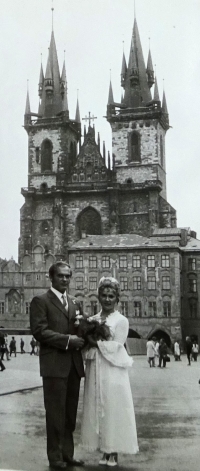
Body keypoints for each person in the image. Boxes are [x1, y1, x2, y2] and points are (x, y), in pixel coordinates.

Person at [30, 261, 85, 470]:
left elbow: (81, 329)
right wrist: (69, 341)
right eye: (61, 276)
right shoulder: (40, 301)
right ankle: (55, 457)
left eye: (67, 276)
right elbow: (39, 331)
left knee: (70, 413)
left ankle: (67, 454)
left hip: (73, 366)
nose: (65, 279)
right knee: (55, 413)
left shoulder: (74, 302)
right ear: (51, 277)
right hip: (54, 366)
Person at [81, 276, 139, 467]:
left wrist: (95, 342)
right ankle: (103, 448)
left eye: (111, 296)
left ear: (117, 299)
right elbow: (87, 349)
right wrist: (88, 342)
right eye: (104, 295)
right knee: (97, 407)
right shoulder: (93, 319)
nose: (107, 299)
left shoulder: (121, 320)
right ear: (98, 297)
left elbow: (117, 346)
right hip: (95, 368)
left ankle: (113, 450)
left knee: (113, 408)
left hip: (113, 370)